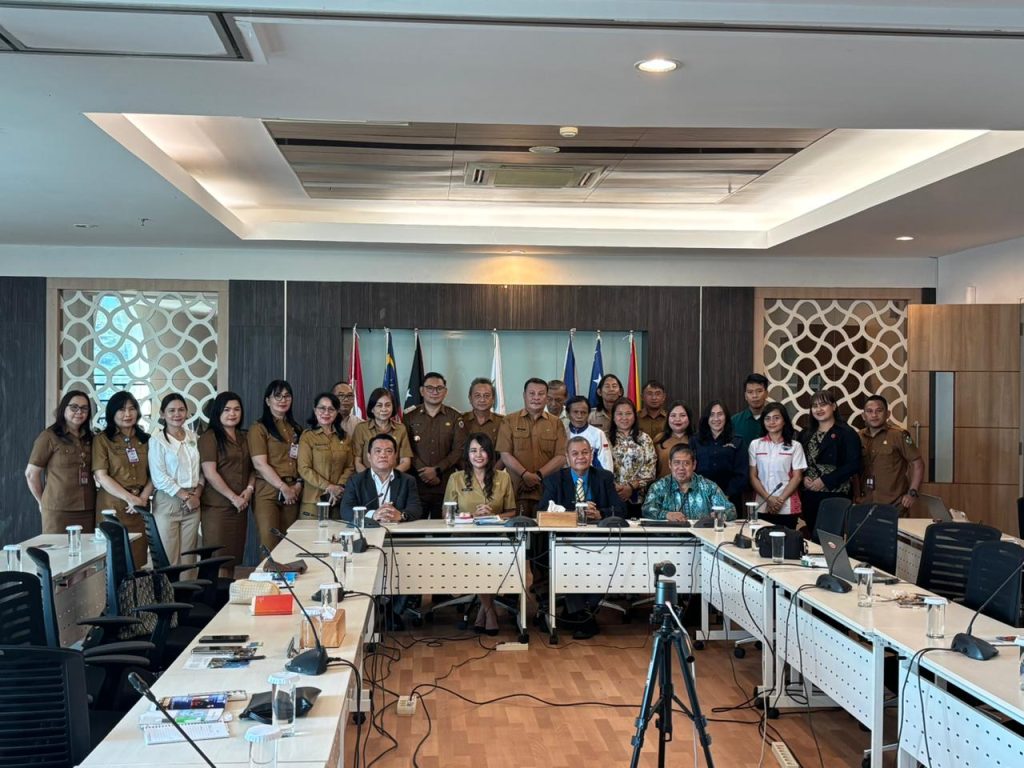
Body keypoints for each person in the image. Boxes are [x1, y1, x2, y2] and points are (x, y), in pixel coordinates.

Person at [538, 437, 626, 639]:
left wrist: (600, 513)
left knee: (597, 561)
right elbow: (542, 511)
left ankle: (576, 612)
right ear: (567, 457)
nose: (580, 457)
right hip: (565, 541)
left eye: (585, 452)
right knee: (571, 560)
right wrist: (574, 515)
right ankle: (583, 615)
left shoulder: (603, 477)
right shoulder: (554, 480)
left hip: (599, 541)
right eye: (575, 453)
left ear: (591, 455)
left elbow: (621, 510)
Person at [443, 433, 517, 634]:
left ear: (490, 454)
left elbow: (512, 511)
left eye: (483, 450)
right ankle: (489, 611)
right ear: (467, 455)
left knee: (490, 558)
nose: (478, 455)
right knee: (479, 561)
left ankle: (484, 610)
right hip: (464, 538)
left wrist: (494, 516)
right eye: (473, 450)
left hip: (495, 537)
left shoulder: (503, 477)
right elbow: (447, 514)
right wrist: (471, 515)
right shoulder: (456, 478)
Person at [93, 391, 153, 566]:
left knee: (138, 559)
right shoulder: (102, 440)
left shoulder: (146, 440)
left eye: (131, 408)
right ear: (112, 413)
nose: (127, 414)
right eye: (121, 409)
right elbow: (101, 475)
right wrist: (130, 499)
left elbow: (154, 475)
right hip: (112, 506)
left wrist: (142, 499)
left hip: (140, 507)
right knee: (115, 560)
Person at [25, 390, 96, 534]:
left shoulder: (91, 438)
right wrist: (41, 501)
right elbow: (31, 474)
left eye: (84, 408)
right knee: (57, 548)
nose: (79, 412)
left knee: (87, 548)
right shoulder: (49, 436)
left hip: (88, 508)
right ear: (63, 408)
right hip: (58, 509)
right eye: (74, 407)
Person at [198, 391, 254, 576]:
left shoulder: (244, 437)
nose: (232, 414)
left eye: (237, 409)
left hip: (240, 507)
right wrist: (233, 497)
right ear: (218, 412)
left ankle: (228, 591)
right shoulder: (209, 437)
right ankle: (216, 594)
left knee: (233, 559)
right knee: (218, 560)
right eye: (227, 409)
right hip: (217, 508)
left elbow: (252, 468)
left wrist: (249, 490)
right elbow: (210, 473)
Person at [496, 378, 567, 517]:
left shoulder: (556, 423)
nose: (536, 397)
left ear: (546, 398)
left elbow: (561, 457)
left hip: (547, 490)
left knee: (545, 528)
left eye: (541, 394)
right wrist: (525, 475)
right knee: (516, 527)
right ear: (524, 395)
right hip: (516, 490)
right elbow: (505, 454)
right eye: (532, 393)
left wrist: (538, 476)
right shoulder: (509, 420)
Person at [148, 393, 204, 568]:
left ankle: (190, 586)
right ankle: (169, 587)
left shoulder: (193, 437)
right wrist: (185, 497)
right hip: (168, 501)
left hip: (194, 501)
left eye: (181, 410)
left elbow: (201, 470)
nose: (177, 414)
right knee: (169, 557)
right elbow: (159, 477)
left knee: (190, 557)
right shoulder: (157, 441)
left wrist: (196, 495)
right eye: (171, 410)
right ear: (162, 414)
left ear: (186, 412)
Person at [797, 389, 862, 538]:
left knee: (830, 539)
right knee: (813, 536)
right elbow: (799, 461)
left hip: (836, 494)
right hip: (810, 494)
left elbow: (853, 464)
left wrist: (825, 481)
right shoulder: (806, 433)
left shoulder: (846, 433)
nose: (818, 409)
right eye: (815, 406)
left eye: (823, 405)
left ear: (833, 406)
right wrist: (803, 478)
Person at [248, 380, 303, 551]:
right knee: (270, 544)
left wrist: (298, 485)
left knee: (289, 546)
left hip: (293, 492)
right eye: (277, 396)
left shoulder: (296, 429)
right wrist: (283, 487)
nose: (282, 400)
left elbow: (302, 461)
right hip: (268, 492)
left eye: (287, 396)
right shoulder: (258, 428)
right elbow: (259, 464)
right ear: (267, 400)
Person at [403, 372, 466, 519]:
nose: (434, 392)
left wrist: (437, 470)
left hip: (445, 484)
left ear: (445, 391)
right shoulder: (409, 416)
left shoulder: (455, 417)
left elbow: (458, 450)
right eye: (430, 388)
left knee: (444, 528)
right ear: (421, 391)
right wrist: (424, 472)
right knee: (414, 527)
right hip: (416, 484)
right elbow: (406, 447)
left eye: (439, 388)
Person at [857, 394, 924, 513]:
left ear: (887, 414)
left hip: (894, 504)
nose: (874, 415)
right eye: (869, 411)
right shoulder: (858, 437)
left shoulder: (899, 435)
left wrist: (912, 493)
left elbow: (917, 464)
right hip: (865, 503)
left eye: (879, 411)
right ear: (863, 416)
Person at [340, 433, 422, 524]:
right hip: (368, 530)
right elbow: (346, 510)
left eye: (389, 451)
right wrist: (373, 515)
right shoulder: (355, 481)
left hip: (398, 530)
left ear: (395, 456)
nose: (383, 455)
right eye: (378, 451)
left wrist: (401, 515)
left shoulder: (407, 480)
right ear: (369, 456)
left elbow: (416, 509)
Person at [748, 402, 806, 529]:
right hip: (762, 504)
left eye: (776, 418)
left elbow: (797, 477)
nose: (771, 422)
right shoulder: (755, 445)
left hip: (787, 505)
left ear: (784, 421)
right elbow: (753, 476)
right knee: (761, 539)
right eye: (767, 418)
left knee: (787, 539)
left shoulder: (795, 446)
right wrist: (768, 499)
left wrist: (779, 500)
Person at [298, 392, 355, 519]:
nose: (326, 413)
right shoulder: (307, 436)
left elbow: (350, 466)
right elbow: (304, 468)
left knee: (337, 532)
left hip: (338, 499)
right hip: (313, 501)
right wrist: (329, 487)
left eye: (331, 409)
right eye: (322, 408)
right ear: (315, 410)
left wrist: (339, 487)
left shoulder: (345, 437)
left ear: (337, 412)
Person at [642, 445, 736, 522]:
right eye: (676, 463)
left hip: (701, 537)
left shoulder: (709, 487)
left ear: (694, 465)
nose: (681, 468)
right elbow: (646, 510)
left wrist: (720, 515)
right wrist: (667, 515)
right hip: (669, 537)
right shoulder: (659, 486)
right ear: (670, 464)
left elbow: (731, 510)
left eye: (686, 463)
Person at [690, 399, 748, 512]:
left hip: (730, 499)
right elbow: (691, 471)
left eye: (720, 414)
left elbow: (742, 474)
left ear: (726, 417)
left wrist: (725, 495)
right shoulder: (695, 441)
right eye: (712, 415)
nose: (716, 419)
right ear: (707, 418)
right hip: (701, 499)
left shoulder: (738, 441)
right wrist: (703, 495)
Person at [608, 398, 656, 518]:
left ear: (634, 416)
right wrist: (615, 487)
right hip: (611, 496)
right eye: (620, 414)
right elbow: (599, 467)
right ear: (613, 417)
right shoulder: (604, 437)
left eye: (628, 413)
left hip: (638, 498)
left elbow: (650, 468)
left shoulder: (644, 438)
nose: (624, 417)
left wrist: (631, 487)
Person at [349, 387, 413, 473]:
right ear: (372, 409)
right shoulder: (361, 428)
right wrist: (371, 478)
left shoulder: (400, 429)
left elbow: (406, 462)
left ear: (393, 407)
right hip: (367, 479)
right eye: (379, 405)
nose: (384, 409)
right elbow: (357, 462)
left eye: (388, 405)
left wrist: (389, 477)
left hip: (394, 478)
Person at [564, 396, 613, 471]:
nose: (579, 416)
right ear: (568, 414)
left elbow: (606, 463)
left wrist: (607, 478)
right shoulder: (563, 433)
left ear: (589, 414)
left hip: (592, 477)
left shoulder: (598, 434)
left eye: (583, 412)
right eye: (575, 412)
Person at [458, 377, 504, 456]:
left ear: (493, 399)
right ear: (470, 398)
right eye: (477, 395)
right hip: (465, 464)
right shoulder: (460, 420)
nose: (482, 400)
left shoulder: (503, 422)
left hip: (495, 464)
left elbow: (505, 452)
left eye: (486, 396)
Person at [653, 400, 694, 479]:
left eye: (682, 415)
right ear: (668, 418)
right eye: (673, 415)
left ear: (689, 418)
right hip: (662, 484)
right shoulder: (659, 438)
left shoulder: (697, 439)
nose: (677, 419)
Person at [732, 373, 770, 445]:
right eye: (750, 392)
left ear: (766, 394)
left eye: (759, 391)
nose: (755, 396)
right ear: (745, 396)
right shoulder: (734, 422)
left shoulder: (775, 421)